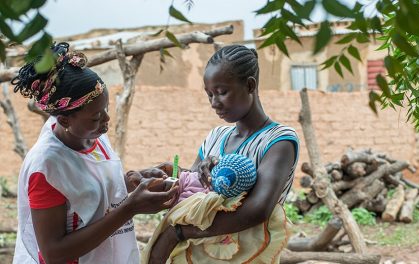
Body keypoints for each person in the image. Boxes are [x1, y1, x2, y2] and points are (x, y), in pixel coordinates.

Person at [11, 42, 178, 264]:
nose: (107, 121)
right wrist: (130, 208)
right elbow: (53, 253)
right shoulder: (47, 166)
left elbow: (87, 192)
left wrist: (131, 181)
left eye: (106, 110)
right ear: (64, 120)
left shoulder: (92, 136)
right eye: (96, 117)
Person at [148, 44, 300, 263]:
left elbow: (258, 209)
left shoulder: (278, 140)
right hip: (195, 256)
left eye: (222, 92)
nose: (214, 103)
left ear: (249, 85)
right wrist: (179, 176)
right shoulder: (215, 136)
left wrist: (179, 233)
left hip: (247, 256)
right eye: (209, 94)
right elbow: (192, 196)